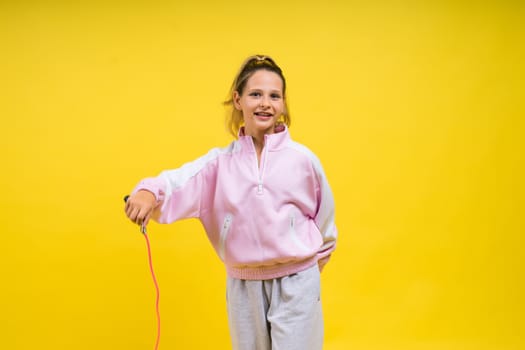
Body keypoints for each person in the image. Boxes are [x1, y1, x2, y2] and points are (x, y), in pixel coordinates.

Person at [124, 54, 337, 350]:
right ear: (238, 100)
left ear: (283, 103)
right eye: (255, 94)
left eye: (274, 96)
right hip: (243, 285)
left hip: (297, 281)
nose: (265, 103)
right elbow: (174, 182)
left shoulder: (304, 160)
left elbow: (325, 221)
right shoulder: (219, 164)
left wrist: (307, 270)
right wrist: (148, 191)